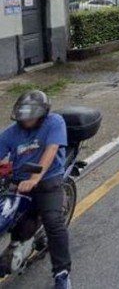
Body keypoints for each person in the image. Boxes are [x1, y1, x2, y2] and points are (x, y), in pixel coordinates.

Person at [0, 91, 71, 289]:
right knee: (8, 219)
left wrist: (35, 178)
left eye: (32, 115)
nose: (27, 119)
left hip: (48, 180)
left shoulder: (54, 122)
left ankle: (62, 274)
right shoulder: (11, 133)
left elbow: (51, 150)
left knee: (53, 222)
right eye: (24, 115)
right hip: (19, 183)